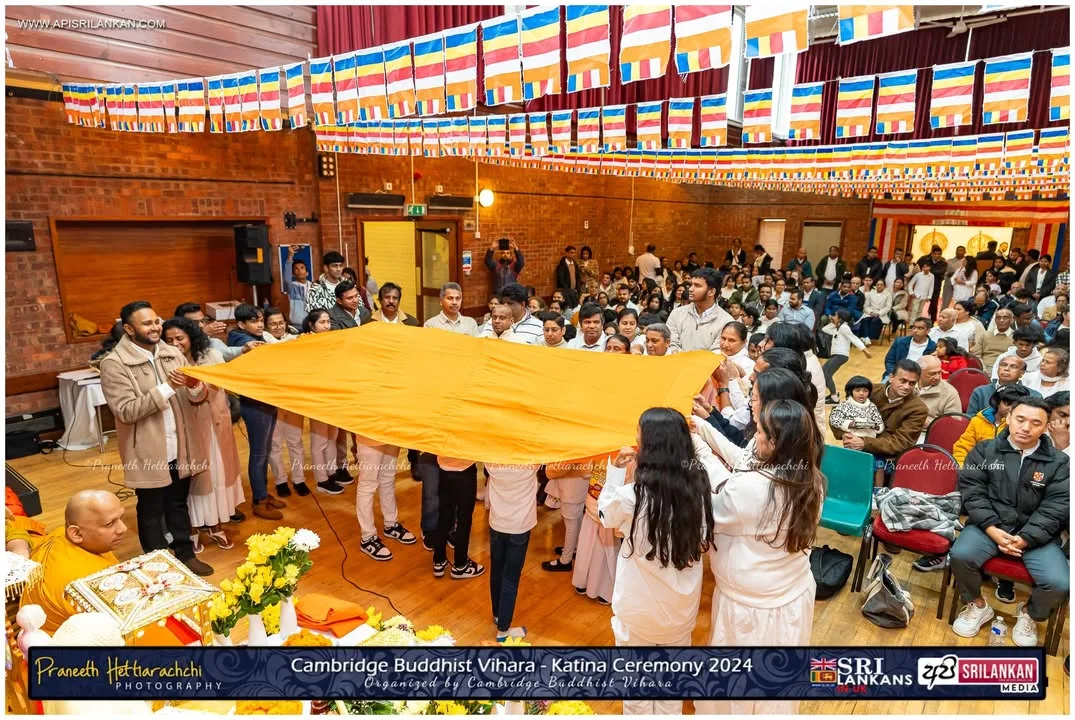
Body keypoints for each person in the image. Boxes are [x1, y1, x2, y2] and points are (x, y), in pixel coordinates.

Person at [694, 400, 824, 716]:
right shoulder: (811, 479)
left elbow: (716, 507)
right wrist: (703, 438)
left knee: (734, 686)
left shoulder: (753, 489)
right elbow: (737, 482)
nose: (755, 437)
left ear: (775, 443)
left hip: (748, 607)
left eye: (761, 433)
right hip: (791, 596)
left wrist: (697, 451)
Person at [598, 410, 714, 716]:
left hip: (638, 614)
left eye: (639, 433)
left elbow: (605, 515)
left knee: (636, 696)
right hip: (680, 613)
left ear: (650, 444)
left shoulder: (632, 496)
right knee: (669, 695)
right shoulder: (698, 489)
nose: (635, 438)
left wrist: (614, 472)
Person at [99, 301, 213, 575]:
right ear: (129, 329)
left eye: (156, 321)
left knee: (178, 503)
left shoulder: (172, 353)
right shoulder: (114, 364)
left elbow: (198, 397)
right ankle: (157, 563)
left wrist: (195, 385)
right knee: (151, 509)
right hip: (147, 449)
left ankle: (185, 554)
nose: (155, 328)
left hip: (180, 445)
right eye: (146, 323)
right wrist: (168, 387)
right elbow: (126, 411)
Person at [950, 397, 1069, 646]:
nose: (1026, 427)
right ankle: (977, 604)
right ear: (1009, 418)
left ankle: (1029, 614)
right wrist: (992, 529)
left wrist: (1026, 538)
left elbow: (1056, 507)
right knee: (961, 555)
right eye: (1020, 419)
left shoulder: (1059, 463)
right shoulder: (984, 450)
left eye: (1035, 423)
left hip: (1036, 536)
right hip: (989, 527)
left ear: (1046, 426)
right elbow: (972, 493)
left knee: (1059, 582)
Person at [162, 318, 246, 547]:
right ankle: (191, 529)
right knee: (195, 481)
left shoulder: (211, 355)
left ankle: (215, 525)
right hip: (187, 429)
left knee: (218, 476)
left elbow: (215, 389)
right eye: (169, 340)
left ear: (191, 337)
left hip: (216, 424)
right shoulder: (165, 362)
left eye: (179, 338)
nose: (175, 344)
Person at [19, 490, 127, 632]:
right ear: (75, 533)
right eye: (109, 524)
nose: (123, 528)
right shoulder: (87, 583)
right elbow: (117, 626)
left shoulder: (60, 534)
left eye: (121, 518)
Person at [832, 359, 929, 484]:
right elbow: (838, 415)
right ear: (891, 377)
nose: (907, 386)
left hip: (889, 463)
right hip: (854, 453)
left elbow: (901, 442)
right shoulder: (869, 391)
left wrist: (864, 442)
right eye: (903, 381)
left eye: (912, 383)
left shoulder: (918, 409)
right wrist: (844, 434)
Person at [484, 460, 541, 641]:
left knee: (496, 570)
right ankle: (503, 630)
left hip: (497, 523)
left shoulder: (490, 459)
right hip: (520, 526)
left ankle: (498, 614)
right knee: (510, 577)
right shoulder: (532, 460)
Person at [299, 310, 346, 495]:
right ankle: (321, 479)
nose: (327, 325)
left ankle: (331, 472)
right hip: (316, 397)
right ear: (312, 325)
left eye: (328, 322)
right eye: (322, 322)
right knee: (319, 441)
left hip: (333, 396)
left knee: (332, 437)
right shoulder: (305, 342)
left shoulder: (333, 341)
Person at [430, 456, 484, 580]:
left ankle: (438, 560)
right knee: (464, 519)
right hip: (465, 469)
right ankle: (461, 565)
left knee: (444, 516)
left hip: (444, 468)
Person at [953, 384, 1032, 465]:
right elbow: (962, 448)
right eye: (1006, 403)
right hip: (977, 467)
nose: (1010, 408)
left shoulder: (1023, 426)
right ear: (997, 402)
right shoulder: (978, 421)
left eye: (1016, 405)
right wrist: (964, 468)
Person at [666, 268, 734, 353]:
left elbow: (716, 353)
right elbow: (671, 344)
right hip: (677, 361)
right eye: (691, 284)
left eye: (697, 285)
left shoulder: (726, 322)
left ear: (711, 292)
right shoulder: (676, 314)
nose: (690, 289)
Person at [175, 303, 259, 361]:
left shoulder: (213, 342)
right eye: (194, 323)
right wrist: (202, 334)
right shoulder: (173, 342)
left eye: (203, 321)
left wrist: (243, 349)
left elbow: (225, 353)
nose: (201, 325)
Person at [822, 309, 872, 403]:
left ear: (840, 318)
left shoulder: (844, 327)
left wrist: (864, 349)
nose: (832, 317)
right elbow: (825, 329)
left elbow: (853, 338)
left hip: (841, 355)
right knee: (823, 372)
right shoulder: (838, 328)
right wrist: (833, 323)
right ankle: (833, 395)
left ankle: (834, 397)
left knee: (826, 374)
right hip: (836, 355)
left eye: (835, 315)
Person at [967, 355, 1039, 417]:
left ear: (1022, 373)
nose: (1006, 369)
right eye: (1003, 365)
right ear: (998, 368)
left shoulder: (1033, 396)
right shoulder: (980, 392)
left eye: (1013, 366)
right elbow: (970, 418)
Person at [883, 317, 936, 381]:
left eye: (920, 328)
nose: (915, 330)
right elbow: (889, 362)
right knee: (884, 385)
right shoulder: (900, 342)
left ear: (928, 331)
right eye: (914, 327)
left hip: (919, 378)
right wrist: (896, 374)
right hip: (896, 374)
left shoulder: (933, 346)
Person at [916, 355, 963, 427]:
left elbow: (953, 424)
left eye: (939, 372)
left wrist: (928, 423)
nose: (937, 377)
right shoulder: (907, 385)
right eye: (932, 374)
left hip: (928, 431)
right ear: (919, 372)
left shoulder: (949, 392)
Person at [916, 245, 950, 322]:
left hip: (936, 286)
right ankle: (917, 319)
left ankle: (932, 320)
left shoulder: (943, 263)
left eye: (939, 254)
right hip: (924, 286)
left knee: (934, 304)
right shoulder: (926, 261)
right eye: (935, 254)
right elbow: (918, 268)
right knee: (919, 303)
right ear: (932, 254)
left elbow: (940, 272)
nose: (937, 255)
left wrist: (927, 270)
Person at [283, 245, 313, 326]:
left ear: (307, 273)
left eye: (302, 268)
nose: (299, 270)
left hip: (312, 324)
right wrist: (290, 257)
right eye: (296, 268)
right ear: (293, 274)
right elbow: (286, 279)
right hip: (297, 325)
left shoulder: (314, 286)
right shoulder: (292, 286)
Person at [980, 307, 1016, 372]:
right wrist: (983, 369)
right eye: (998, 318)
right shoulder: (985, 335)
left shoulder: (1016, 337)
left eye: (1005, 317)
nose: (1001, 320)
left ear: (1012, 320)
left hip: (1007, 369)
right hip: (986, 367)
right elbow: (976, 354)